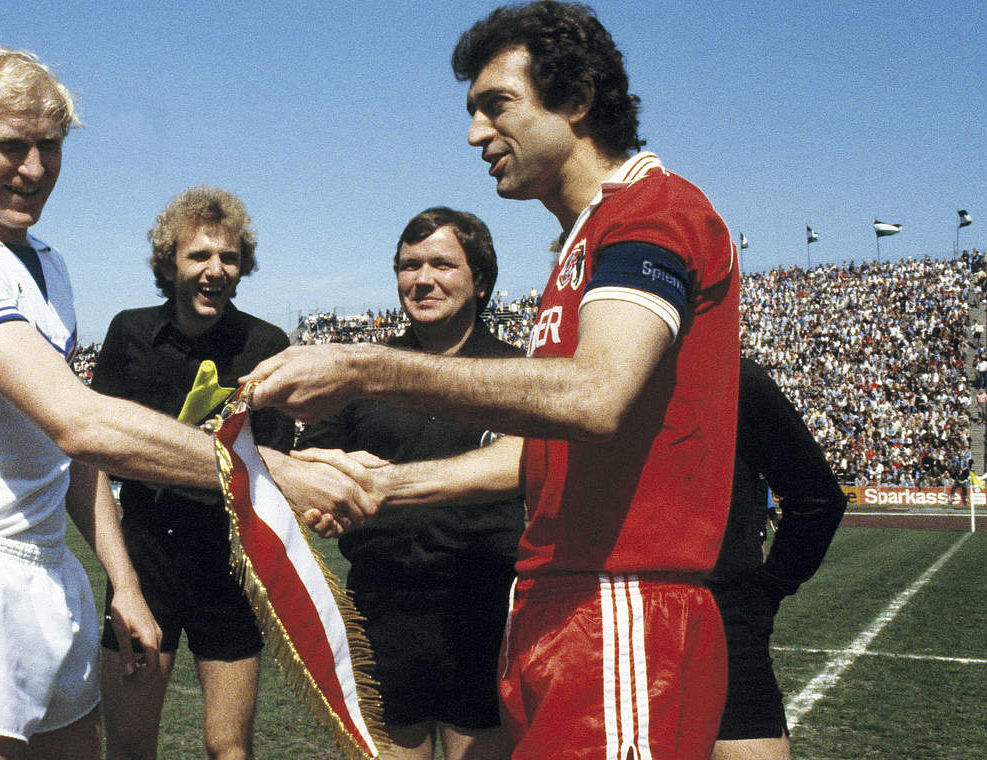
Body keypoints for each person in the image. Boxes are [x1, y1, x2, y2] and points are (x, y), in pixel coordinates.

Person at [250, 2, 740, 756]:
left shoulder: (653, 212)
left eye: (496, 106)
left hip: (622, 605)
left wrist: (362, 368)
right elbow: (541, 451)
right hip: (557, 604)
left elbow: (596, 395)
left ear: (575, 99)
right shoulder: (583, 245)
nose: (476, 134)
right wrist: (388, 488)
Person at [0, 46, 371, 760]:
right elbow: (81, 423)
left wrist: (125, 585)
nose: (35, 168)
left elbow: (67, 455)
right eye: (11, 146)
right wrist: (280, 477)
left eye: (50, 146)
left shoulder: (46, 264)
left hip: (48, 571)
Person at [295, 207, 523, 760]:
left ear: (482, 281)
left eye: (442, 264)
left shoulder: (519, 375)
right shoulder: (359, 371)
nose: (423, 279)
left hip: (485, 606)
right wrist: (322, 497)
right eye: (409, 265)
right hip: (382, 605)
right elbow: (310, 469)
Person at [89, 187, 294, 760]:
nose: (215, 270)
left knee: (229, 748)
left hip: (228, 563)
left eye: (228, 257)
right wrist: (122, 580)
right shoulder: (130, 334)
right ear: (169, 262)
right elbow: (95, 456)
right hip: (145, 560)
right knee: (130, 749)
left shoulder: (265, 345)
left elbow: (271, 471)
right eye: (199, 256)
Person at [709, 357, 846, 760]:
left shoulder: (735, 378)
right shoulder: (736, 376)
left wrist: (767, 592)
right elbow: (819, 499)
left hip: (716, 618)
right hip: (723, 613)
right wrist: (765, 594)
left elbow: (818, 499)